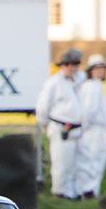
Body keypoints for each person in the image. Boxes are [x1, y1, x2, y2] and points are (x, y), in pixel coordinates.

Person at [36, 48, 84, 200]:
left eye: (76, 64)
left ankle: (71, 192)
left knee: (73, 164)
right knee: (60, 162)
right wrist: (45, 123)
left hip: (76, 128)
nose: (73, 68)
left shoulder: (77, 80)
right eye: (69, 64)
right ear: (62, 65)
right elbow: (43, 106)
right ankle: (59, 192)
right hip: (61, 127)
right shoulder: (54, 82)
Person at [76, 54, 106, 200]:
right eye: (97, 68)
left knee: (93, 161)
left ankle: (89, 191)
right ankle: (89, 191)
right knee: (95, 161)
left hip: (96, 130)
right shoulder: (93, 87)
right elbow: (89, 110)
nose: (101, 71)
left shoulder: (94, 85)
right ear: (91, 70)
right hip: (95, 131)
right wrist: (84, 128)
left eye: (102, 68)